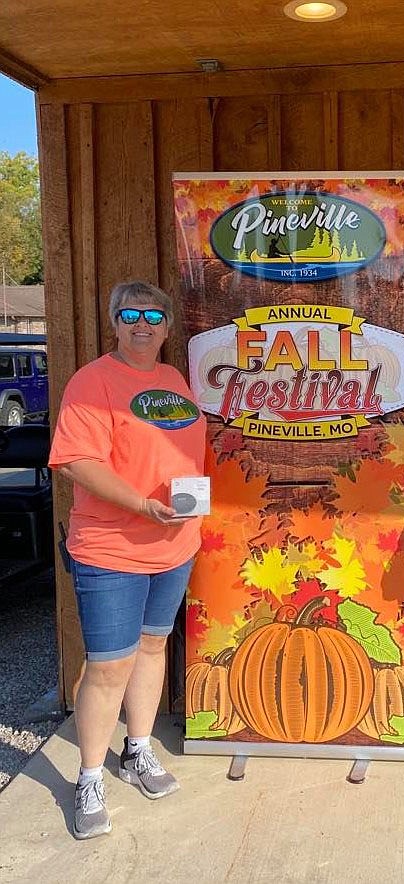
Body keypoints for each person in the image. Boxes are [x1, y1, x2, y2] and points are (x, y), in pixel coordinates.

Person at [49, 281, 206, 838]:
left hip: (173, 544)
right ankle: (89, 773)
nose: (143, 324)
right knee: (109, 663)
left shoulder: (172, 380)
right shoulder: (92, 382)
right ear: (115, 322)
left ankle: (136, 749)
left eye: (154, 315)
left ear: (166, 326)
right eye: (131, 314)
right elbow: (74, 461)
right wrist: (142, 504)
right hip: (111, 547)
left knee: (152, 645)